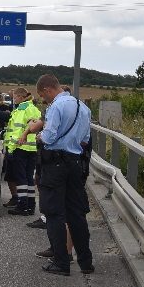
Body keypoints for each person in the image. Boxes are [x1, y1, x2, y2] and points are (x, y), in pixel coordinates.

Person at [34, 74, 93, 276]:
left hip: (55, 165)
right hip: (76, 163)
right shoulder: (84, 107)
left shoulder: (56, 107)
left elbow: (49, 136)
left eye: (43, 95)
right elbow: (85, 140)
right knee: (76, 213)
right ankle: (86, 262)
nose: (44, 99)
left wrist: (39, 135)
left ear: (49, 89)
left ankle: (61, 262)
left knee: (54, 213)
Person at [5, 88, 41, 215]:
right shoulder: (34, 108)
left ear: (20, 97)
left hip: (20, 147)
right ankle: (31, 206)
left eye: (14, 97)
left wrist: (10, 149)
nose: (13, 100)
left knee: (20, 178)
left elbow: (17, 131)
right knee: (29, 178)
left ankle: (22, 205)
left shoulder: (21, 109)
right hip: (32, 148)